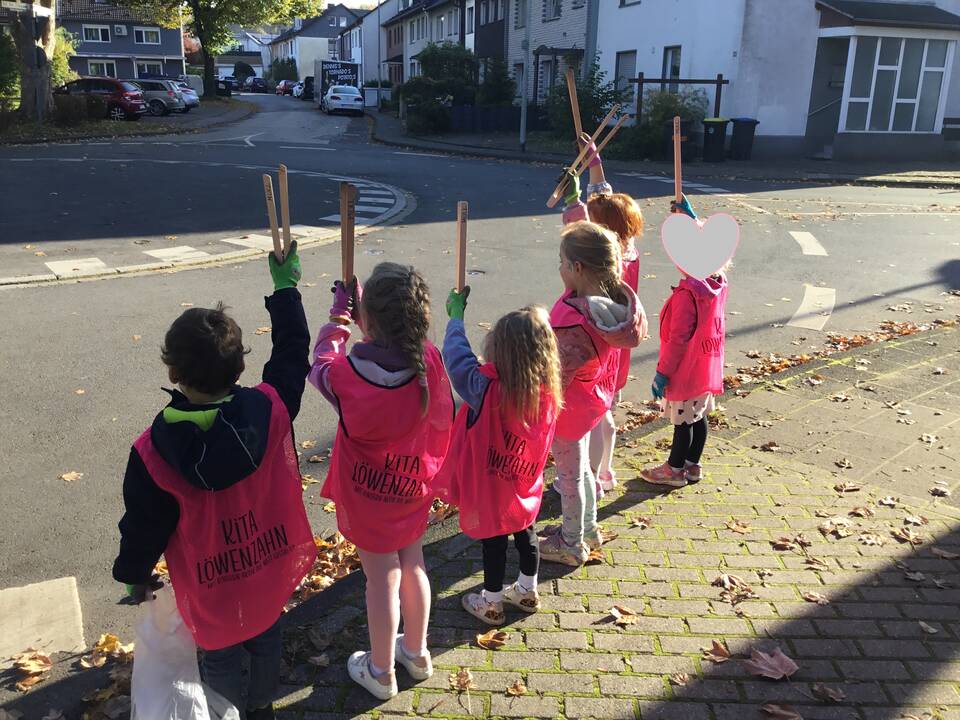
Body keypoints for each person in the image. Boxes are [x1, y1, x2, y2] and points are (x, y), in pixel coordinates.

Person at [112, 243, 316, 720]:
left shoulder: (153, 451)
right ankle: (262, 704)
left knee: (221, 655)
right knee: (267, 634)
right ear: (240, 366)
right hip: (268, 565)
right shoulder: (271, 408)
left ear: (173, 371)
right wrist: (286, 290)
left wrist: (135, 576)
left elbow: (144, 523)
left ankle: (228, 710)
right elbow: (291, 356)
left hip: (211, 584)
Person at [308, 262, 454, 700]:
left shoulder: (348, 376)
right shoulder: (428, 360)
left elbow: (320, 365)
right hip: (411, 488)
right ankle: (417, 651)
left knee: (381, 578)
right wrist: (364, 315)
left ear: (365, 319)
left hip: (371, 494)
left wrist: (338, 319)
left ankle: (381, 671)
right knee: (412, 563)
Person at [436, 290, 562, 624]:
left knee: (493, 544)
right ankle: (527, 590)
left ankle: (491, 602)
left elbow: (457, 359)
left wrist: (455, 319)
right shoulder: (547, 394)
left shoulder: (486, 389)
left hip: (492, 486)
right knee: (526, 535)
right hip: (523, 483)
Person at [540, 221, 647, 566]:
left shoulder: (574, 320)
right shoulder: (607, 306)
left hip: (569, 407)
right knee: (582, 469)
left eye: (561, 261)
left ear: (577, 268)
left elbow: (557, 373)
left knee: (569, 476)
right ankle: (586, 527)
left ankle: (570, 543)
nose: (557, 268)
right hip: (592, 398)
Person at [642, 198, 728, 488]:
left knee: (682, 423)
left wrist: (662, 373)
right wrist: (691, 221)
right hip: (706, 368)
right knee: (699, 417)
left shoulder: (686, 296)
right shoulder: (716, 284)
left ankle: (674, 469)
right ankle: (693, 465)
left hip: (685, 371)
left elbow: (677, 341)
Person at [581, 137, 645, 495]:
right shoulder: (627, 248)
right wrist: (595, 161)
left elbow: (587, 211)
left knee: (595, 416)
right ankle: (603, 471)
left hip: (601, 345)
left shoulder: (607, 261)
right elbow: (602, 201)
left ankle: (590, 477)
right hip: (618, 349)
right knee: (605, 413)